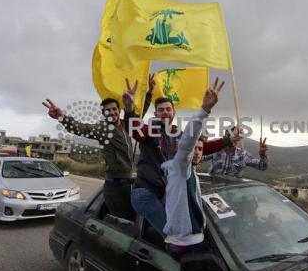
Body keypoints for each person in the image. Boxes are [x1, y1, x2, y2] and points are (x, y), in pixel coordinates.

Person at [122, 78, 241, 236]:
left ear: (173, 113)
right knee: (174, 235)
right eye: (161, 110)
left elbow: (202, 147)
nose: (165, 112)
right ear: (156, 114)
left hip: (167, 194)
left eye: (168, 109)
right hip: (146, 193)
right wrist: (130, 110)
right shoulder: (149, 131)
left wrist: (227, 140)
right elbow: (135, 130)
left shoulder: (180, 135)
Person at [42, 75, 155, 219]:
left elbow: (140, 112)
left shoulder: (127, 124)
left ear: (119, 109)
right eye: (108, 111)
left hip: (129, 182)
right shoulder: (103, 129)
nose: (112, 112)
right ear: (103, 114)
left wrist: (150, 93)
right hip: (115, 185)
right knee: (121, 224)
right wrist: (61, 117)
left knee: (134, 221)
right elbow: (80, 128)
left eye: (114, 109)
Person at [162, 78, 224, 260]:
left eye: (200, 149)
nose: (196, 152)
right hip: (188, 245)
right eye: (192, 148)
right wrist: (204, 110)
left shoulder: (184, 171)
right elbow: (188, 143)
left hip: (185, 240)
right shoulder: (181, 168)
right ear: (178, 147)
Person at [203, 128, 269, 178]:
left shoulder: (243, 155)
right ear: (225, 137)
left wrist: (263, 154)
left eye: (235, 136)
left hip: (232, 192)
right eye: (230, 135)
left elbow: (262, 167)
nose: (233, 138)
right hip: (213, 189)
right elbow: (198, 158)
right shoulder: (216, 150)